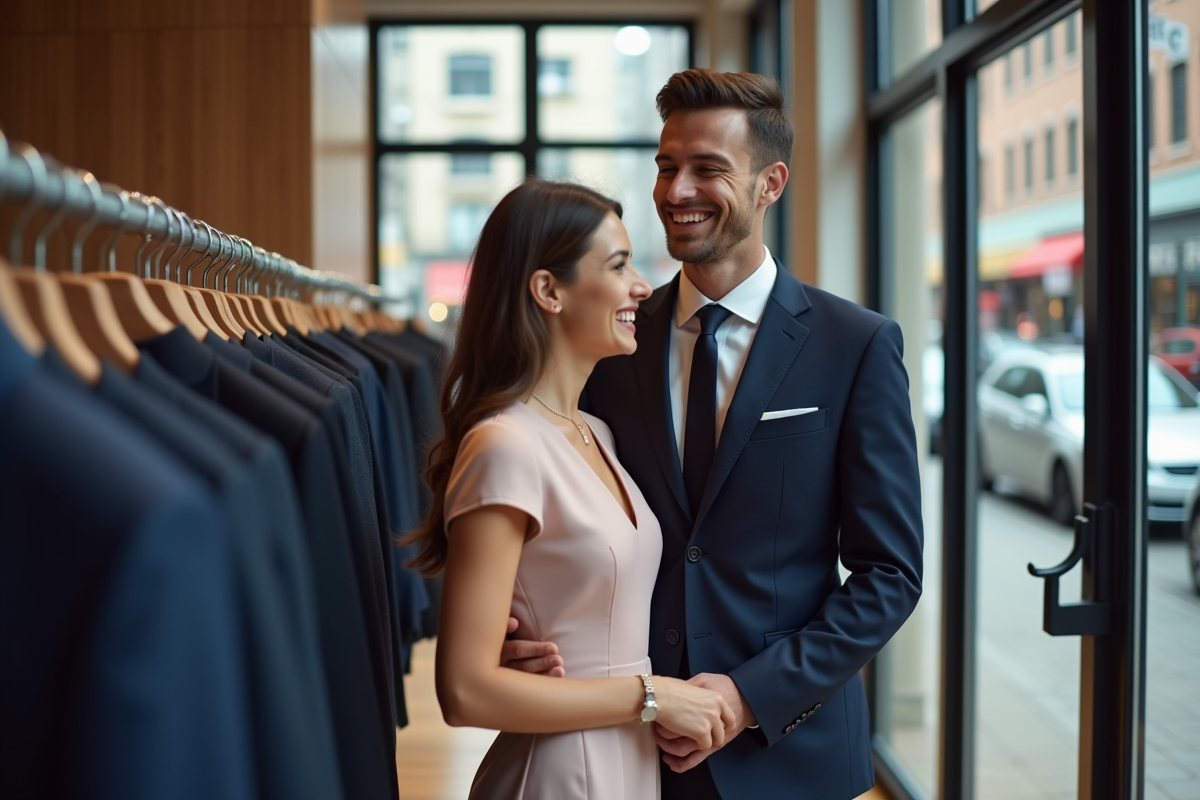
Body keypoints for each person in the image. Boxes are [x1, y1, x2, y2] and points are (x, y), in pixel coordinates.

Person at [502, 69, 925, 800]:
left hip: (788, 753)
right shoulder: (611, 340)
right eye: (667, 166)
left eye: (707, 169)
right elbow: (554, 501)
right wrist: (515, 626)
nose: (675, 191)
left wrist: (745, 695)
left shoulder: (854, 345)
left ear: (770, 184)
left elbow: (890, 575)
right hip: (624, 747)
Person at [405, 179, 737, 799]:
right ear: (548, 290)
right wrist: (653, 695)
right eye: (618, 265)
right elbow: (464, 689)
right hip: (559, 775)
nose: (642, 284)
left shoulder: (597, 432)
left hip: (628, 764)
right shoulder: (504, 443)